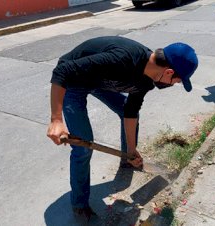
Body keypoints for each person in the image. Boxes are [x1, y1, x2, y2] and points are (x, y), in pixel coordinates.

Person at [46, 36, 198, 220]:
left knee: (124, 108)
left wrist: (132, 150)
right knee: (83, 146)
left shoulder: (147, 80)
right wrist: (56, 119)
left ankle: (128, 159)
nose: (175, 85)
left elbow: (130, 112)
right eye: (178, 81)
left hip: (98, 80)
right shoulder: (123, 59)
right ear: (168, 72)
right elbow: (63, 71)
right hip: (75, 79)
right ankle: (79, 205)